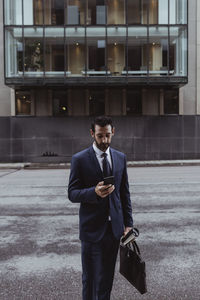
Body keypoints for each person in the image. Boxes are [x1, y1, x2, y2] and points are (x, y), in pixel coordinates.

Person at [68, 116, 133, 300]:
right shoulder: (79, 159)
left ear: (113, 132)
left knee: (106, 280)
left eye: (107, 135)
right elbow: (72, 193)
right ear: (92, 134)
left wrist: (128, 224)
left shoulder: (120, 158)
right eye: (100, 136)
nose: (104, 140)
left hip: (114, 230)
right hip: (91, 230)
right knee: (89, 280)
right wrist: (94, 192)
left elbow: (124, 194)